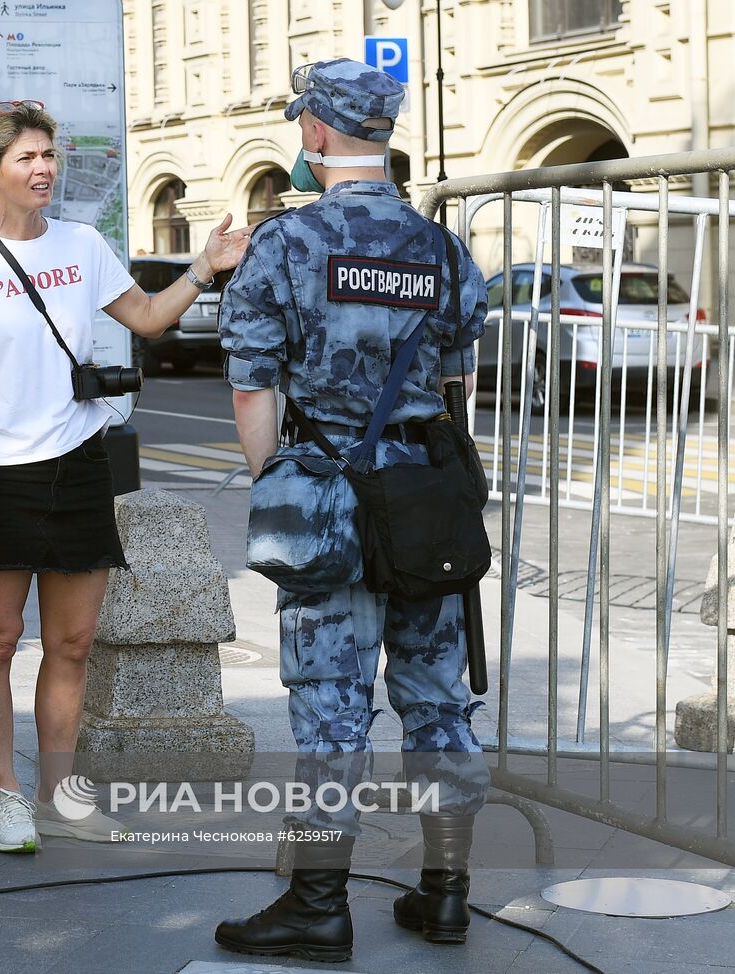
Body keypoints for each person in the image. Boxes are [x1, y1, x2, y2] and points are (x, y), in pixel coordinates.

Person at [0, 101, 249, 853]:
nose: (43, 169)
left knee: (72, 646)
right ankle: (5, 799)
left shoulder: (82, 244)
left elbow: (151, 317)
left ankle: (57, 796)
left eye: (49, 156)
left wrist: (203, 268)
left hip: (78, 464)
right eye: (27, 157)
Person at [213, 58, 490, 963]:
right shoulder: (441, 249)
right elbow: (457, 383)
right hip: (425, 507)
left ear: (317, 132)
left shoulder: (286, 247)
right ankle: (445, 893)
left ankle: (320, 904)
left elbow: (253, 387)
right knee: (436, 701)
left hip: (328, 498)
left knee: (332, 706)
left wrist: (278, 482)